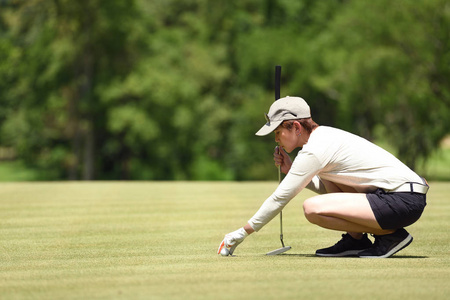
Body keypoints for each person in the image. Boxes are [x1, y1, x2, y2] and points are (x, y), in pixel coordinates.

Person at [218, 96, 429, 258]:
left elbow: (280, 197)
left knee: (312, 209)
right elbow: (330, 191)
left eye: (278, 132)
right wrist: (292, 170)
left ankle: (390, 236)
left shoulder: (314, 150)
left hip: (401, 199)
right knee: (327, 176)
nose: (276, 139)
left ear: (296, 127)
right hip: (405, 196)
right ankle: (356, 240)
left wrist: (242, 233)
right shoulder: (323, 137)